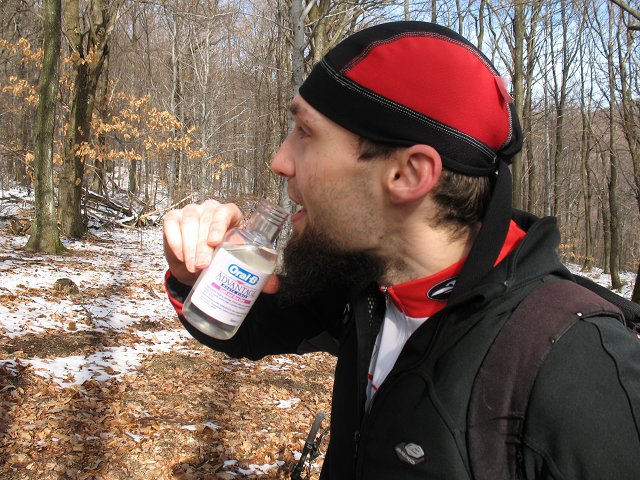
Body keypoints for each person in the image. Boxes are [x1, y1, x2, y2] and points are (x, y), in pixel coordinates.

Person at [163, 21, 640, 479]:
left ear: (408, 175)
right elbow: (248, 330)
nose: (279, 160)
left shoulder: (583, 372)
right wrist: (196, 273)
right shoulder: (371, 280)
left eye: (305, 132)